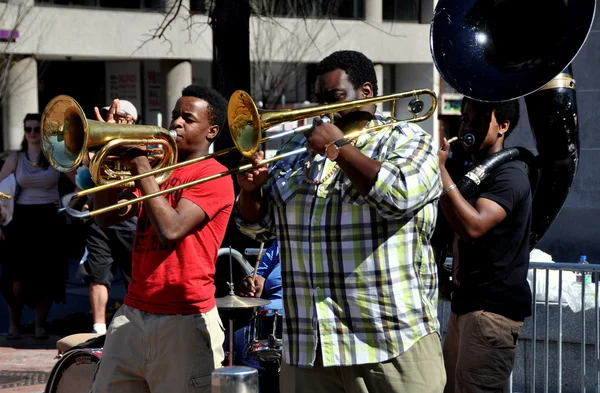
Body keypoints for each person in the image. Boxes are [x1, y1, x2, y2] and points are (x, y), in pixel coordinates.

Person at [236, 50, 446, 393]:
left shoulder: (406, 139)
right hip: (309, 347)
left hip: (389, 343)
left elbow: (399, 195)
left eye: (333, 97)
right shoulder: (295, 148)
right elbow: (260, 228)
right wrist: (250, 191)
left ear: (366, 93)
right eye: (318, 99)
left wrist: (338, 147)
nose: (322, 109)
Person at [90, 85, 234, 393]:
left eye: (187, 118)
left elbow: (171, 229)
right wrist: (109, 157)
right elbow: (106, 216)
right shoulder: (159, 170)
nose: (176, 123)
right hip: (132, 315)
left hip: (183, 319)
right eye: (175, 116)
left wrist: (142, 167)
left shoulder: (215, 175)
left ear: (211, 131)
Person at [437, 97, 532, 393]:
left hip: (491, 314)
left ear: (503, 127)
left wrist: (440, 170)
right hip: (467, 307)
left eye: (478, 120)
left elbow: (475, 225)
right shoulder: (476, 174)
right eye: (464, 119)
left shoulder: (510, 174)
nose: (467, 126)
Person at [0, 113, 76, 340]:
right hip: (21, 220)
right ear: (24, 132)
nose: (32, 133)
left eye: (36, 129)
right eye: (28, 129)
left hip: (49, 220)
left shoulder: (55, 156)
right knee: (17, 277)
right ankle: (14, 324)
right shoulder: (16, 158)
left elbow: (81, 182)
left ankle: (39, 325)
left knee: (48, 276)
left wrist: (68, 201)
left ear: (43, 132)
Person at [76, 99, 139, 335]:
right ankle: (99, 329)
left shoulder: (139, 143)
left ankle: (136, 324)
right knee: (98, 273)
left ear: (130, 121)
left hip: (128, 216)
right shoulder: (94, 147)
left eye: (117, 116)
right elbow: (82, 179)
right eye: (106, 114)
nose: (109, 118)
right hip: (97, 216)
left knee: (134, 275)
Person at [235, 239, 282, 393]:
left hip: (298, 320)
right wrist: (252, 283)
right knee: (238, 342)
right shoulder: (281, 243)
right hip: (267, 321)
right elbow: (259, 276)